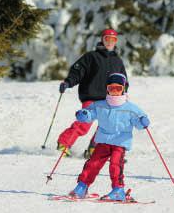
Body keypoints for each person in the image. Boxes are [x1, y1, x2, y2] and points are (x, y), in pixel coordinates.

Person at [68, 73, 150, 201]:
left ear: (124, 89)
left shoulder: (130, 108)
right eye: (112, 89)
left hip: (120, 142)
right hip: (103, 141)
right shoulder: (100, 105)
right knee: (93, 164)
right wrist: (84, 115)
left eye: (118, 89)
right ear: (107, 89)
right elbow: (90, 113)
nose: (115, 92)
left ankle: (118, 190)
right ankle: (82, 186)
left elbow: (139, 122)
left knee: (115, 165)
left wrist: (143, 121)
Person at [57, 28, 128, 158]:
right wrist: (68, 82)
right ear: (102, 39)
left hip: (109, 99)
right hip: (91, 96)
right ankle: (64, 144)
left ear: (116, 42)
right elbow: (77, 72)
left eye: (113, 40)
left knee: (106, 127)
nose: (110, 42)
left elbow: (123, 79)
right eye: (107, 39)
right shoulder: (91, 57)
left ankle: (94, 149)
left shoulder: (117, 61)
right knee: (84, 124)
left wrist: (123, 93)